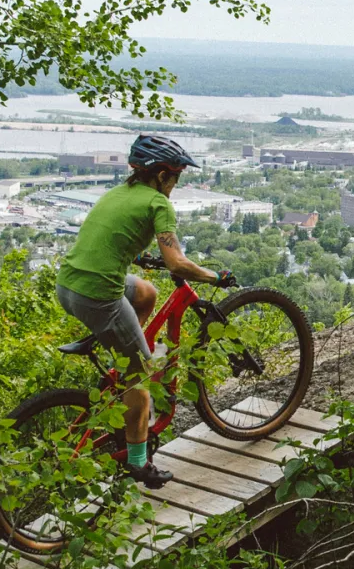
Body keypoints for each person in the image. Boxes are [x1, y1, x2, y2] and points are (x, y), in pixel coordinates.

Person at [53, 133, 233, 490]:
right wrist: (215, 276)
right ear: (162, 175)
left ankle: (124, 348)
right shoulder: (158, 203)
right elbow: (178, 264)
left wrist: (140, 258)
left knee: (147, 292)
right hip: (99, 296)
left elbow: (113, 238)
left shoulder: (116, 194)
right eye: (176, 177)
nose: (175, 185)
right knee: (142, 382)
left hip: (69, 286)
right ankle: (139, 463)